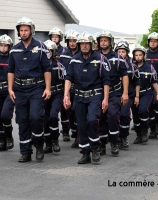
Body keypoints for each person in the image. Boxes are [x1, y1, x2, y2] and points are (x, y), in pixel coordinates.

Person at [8, 17, 51, 162]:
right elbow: (11, 71)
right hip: (19, 89)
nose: (24, 32)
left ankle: (39, 146)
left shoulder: (40, 47)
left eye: (26, 30)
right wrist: (10, 89)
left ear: (31, 30)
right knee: (22, 120)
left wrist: (48, 88)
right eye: (21, 30)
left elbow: (47, 69)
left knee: (35, 117)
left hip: (36, 88)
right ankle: (25, 151)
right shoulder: (14, 50)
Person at [63, 31, 110, 164]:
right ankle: (85, 153)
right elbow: (68, 78)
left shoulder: (100, 59)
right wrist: (66, 95)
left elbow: (106, 81)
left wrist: (105, 99)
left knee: (92, 121)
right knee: (81, 125)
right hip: (79, 97)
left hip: (95, 96)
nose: (84, 46)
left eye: (86, 44)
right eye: (81, 43)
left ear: (92, 44)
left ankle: (95, 148)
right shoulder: (74, 59)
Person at [97, 30, 129, 156]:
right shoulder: (95, 56)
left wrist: (125, 93)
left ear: (110, 42)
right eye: (101, 40)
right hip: (99, 93)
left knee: (112, 115)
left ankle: (115, 142)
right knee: (100, 118)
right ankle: (102, 143)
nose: (103, 42)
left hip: (115, 92)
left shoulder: (118, 57)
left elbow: (125, 75)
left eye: (105, 40)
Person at [131, 45, 158, 144]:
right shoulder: (130, 66)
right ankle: (139, 135)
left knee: (143, 110)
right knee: (135, 115)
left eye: (140, 55)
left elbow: (154, 81)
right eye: (136, 55)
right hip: (134, 94)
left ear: (144, 56)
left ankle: (145, 132)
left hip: (147, 93)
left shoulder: (149, 67)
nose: (138, 57)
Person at [114, 39, 140, 149]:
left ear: (127, 52)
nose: (121, 54)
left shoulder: (132, 65)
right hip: (114, 94)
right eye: (119, 52)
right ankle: (115, 138)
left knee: (124, 114)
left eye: (123, 52)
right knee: (114, 116)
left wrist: (137, 96)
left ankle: (124, 137)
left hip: (128, 95)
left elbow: (137, 82)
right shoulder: (111, 63)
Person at [0, 34, 15, 151]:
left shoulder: (12, 60)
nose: (3, 48)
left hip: (8, 91)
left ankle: (9, 136)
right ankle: (2, 140)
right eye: (1, 45)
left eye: (6, 46)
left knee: (5, 115)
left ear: (10, 47)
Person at [43, 40, 65, 154]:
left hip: (57, 93)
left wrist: (66, 95)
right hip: (44, 94)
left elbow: (65, 81)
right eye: (45, 51)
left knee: (53, 116)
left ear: (54, 52)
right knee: (45, 119)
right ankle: (48, 143)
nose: (48, 53)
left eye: (50, 51)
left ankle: (55, 140)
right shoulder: (39, 66)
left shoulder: (59, 66)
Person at [59, 29, 80, 147]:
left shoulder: (82, 54)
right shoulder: (63, 55)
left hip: (78, 88)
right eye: (70, 41)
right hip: (66, 87)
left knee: (78, 111)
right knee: (69, 111)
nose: (72, 43)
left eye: (74, 41)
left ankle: (79, 136)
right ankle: (73, 130)